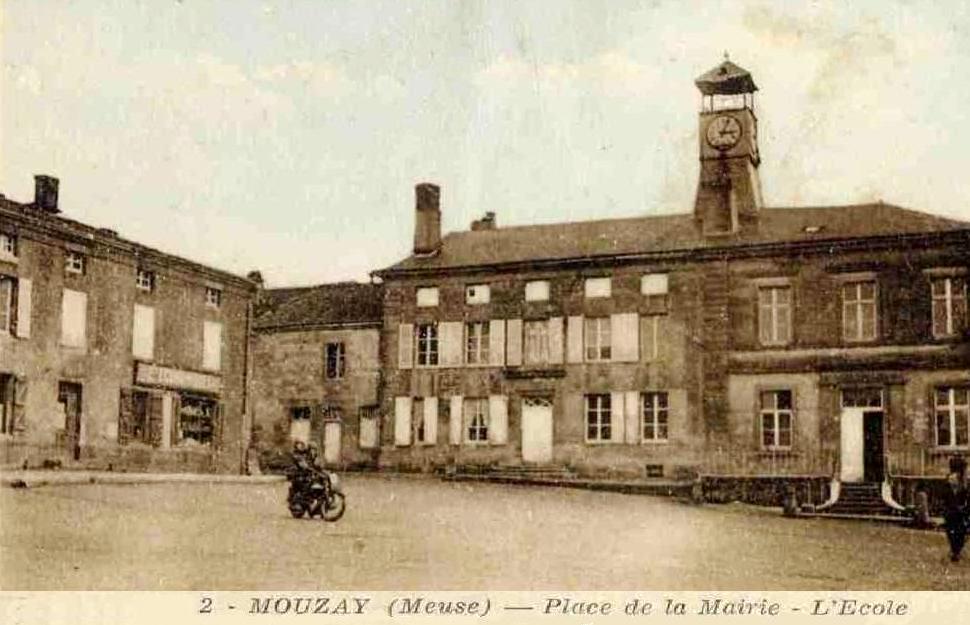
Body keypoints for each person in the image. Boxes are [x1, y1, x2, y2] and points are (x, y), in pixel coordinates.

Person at [943, 456, 969, 563]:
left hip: (955, 511)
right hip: (955, 511)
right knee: (957, 532)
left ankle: (955, 552)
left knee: (956, 532)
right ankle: (955, 552)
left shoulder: (960, 479)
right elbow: (951, 496)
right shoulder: (955, 480)